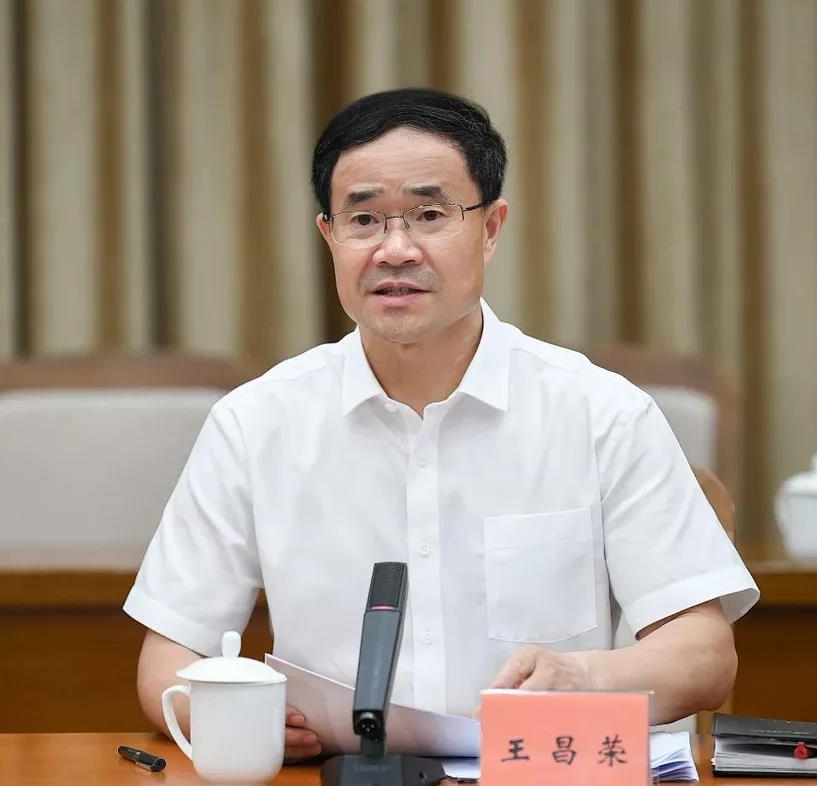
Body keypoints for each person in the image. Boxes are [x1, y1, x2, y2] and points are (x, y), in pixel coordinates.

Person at [124, 88, 759, 761]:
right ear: (329, 235)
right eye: (363, 220)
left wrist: (582, 677)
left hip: (535, 773)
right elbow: (167, 658)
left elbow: (704, 657)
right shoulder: (254, 424)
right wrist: (226, 712)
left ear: (491, 229)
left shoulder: (602, 415)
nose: (395, 250)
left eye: (430, 215)